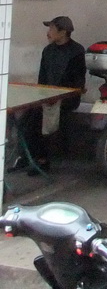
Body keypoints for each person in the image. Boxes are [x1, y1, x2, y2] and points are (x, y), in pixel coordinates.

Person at [11, 16, 86, 175]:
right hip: (47, 95)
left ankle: (42, 160)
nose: (48, 33)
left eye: (51, 29)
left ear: (63, 32)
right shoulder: (48, 50)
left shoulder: (77, 51)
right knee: (26, 115)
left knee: (40, 117)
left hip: (66, 98)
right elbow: (42, 79)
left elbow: (77, 82)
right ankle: (25, 156)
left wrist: (58, 97)